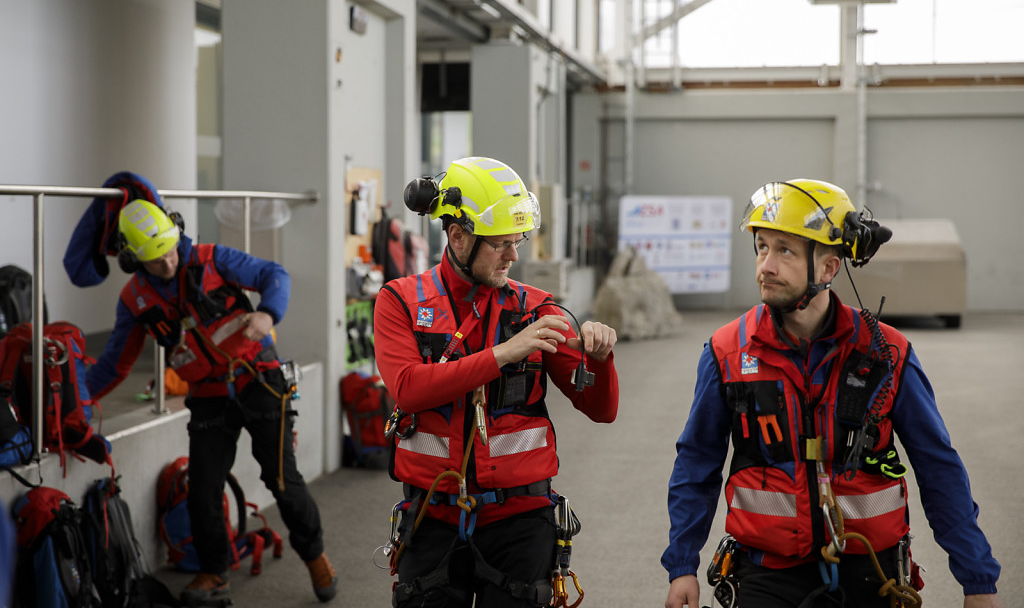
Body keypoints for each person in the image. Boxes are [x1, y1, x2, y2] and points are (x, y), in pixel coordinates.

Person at [662, 179, 1003, 608]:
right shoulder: (726, 352)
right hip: (767, 574)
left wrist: (977, 581)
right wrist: (682, 567)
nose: (765, 265)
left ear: (828, 268)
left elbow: (938, 466)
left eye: (785, 250)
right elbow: (697, 463)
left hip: (873, 573)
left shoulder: (888, 353)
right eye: (762, 246)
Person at [374, 156, 620, 607]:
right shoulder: (399, 301)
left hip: (521, 521)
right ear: (458, 236)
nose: (515, 255)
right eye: (501, 244)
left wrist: (601, 362)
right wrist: (505, 353)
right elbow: (408, 388)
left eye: (518, 241)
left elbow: (601, 410)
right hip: (431, 516)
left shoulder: (538, 310)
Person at [86, 199, 337, 606]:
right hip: (208, 395)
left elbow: (273, 274)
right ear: (133, 260)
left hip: (259, 380)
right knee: (203, 489)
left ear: (177, 234)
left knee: (282, 481)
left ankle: (315, 557)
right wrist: (75, 401)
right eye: (155, 261)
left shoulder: (213, 259)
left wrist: (268, 315)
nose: (168, 265)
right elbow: (113, 365)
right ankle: (214, 571)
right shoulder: (135, 301)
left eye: (169, 252)